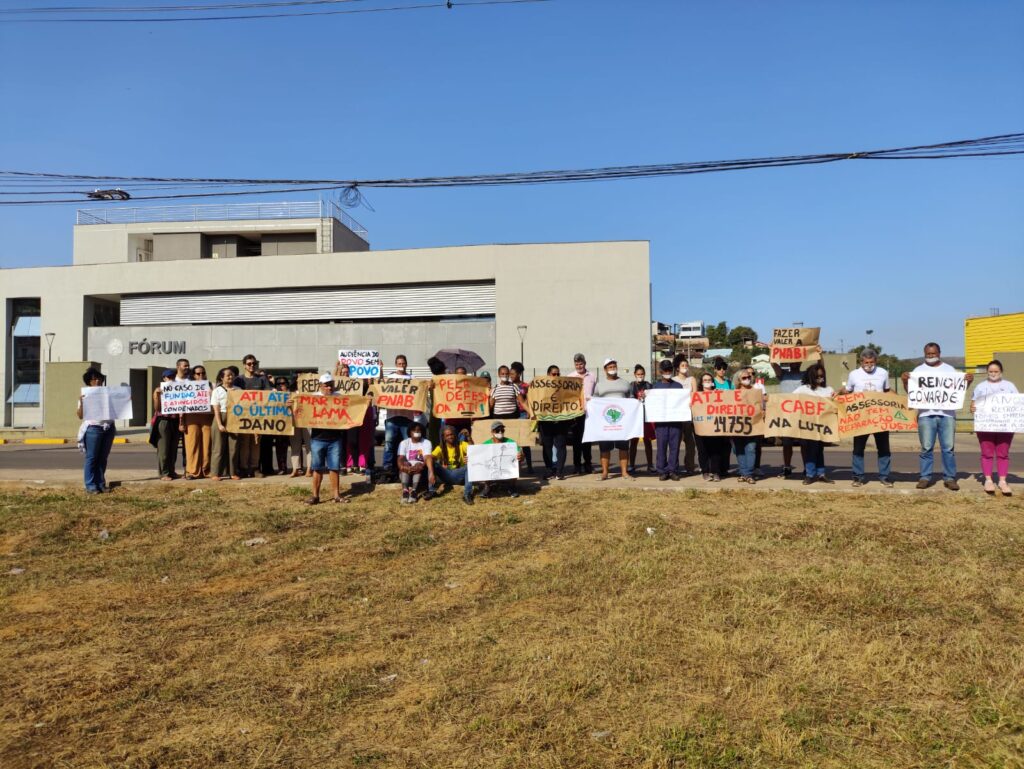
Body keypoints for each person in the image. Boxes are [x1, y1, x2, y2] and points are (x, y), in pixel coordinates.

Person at [901, 342, 974, 491]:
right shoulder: (918, 370)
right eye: (928, 354)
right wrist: (904, 380)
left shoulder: (949, 369)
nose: (931, 356)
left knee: (948, 448)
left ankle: (949, 478)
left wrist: (968, 382)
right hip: (926, 415)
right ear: (924, 354)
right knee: (926, 448)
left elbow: (958, 390)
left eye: (933, 354)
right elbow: (911, 391)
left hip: (947, 415)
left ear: (939, 353)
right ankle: (925, 477)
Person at [842, 349, 894, 487]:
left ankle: (885, 476)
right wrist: (837, 395)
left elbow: (887, 391)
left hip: (880, 416)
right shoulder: (854, 374)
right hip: (861, 418)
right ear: (861, 362)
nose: (869, 365)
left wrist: (902, 401)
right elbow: (848, 391)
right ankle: (858, 477)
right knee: (858, 449)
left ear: (876, 361)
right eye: (866, 362)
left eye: (871, 362)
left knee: (884, 449)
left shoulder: (883, 372)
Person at [971, 359, 1017, 496]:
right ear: (987, 372)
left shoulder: (1010, 386)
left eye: (996, 371)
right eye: (990, 371)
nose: (993, 373)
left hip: (1005, 426)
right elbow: (973, 405)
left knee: (1003, 454)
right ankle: (988, 480)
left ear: (1001, 372)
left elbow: (1018, 404)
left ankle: (1003, 481)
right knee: (987, 453)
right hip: (986, 426)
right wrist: (973, 408)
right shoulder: (980, 386)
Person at [770, 350, 819, 478]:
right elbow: (773, 364)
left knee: (804, 443)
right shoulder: (783, 374)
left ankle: (806, 468)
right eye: (792, 361)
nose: (795, 363)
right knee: (787, 443)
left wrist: (820, 354)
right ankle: (787, 467)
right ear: (789, 362)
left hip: (802, 414)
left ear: (801, 361)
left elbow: (820, 368)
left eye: (797, 361)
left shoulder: (805, 375)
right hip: (787, 415)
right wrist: (772, 350)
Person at [305, 374, 349, 505]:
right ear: (320, 386)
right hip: (318, 438)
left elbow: (352, 408)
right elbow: (302, 410)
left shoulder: (339, 397)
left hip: (335, 438)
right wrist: (291, 405)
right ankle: (315, 496)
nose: (329, 387)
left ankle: (336, 495)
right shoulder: (313, 397)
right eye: (326, 385)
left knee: (334, 467)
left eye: (330, 384)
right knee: (317, 467)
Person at [793, 362, 835, 484]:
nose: (820, 379)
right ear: (811, 376)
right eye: (817, 376)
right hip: (808, 427)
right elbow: (789, 400)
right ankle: (810, 474)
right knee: (811, 449)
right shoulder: (802, 389)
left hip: (823, 426)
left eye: (822, 376)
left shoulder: (828, 390)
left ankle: (820, 474)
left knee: (819, 449)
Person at [593, 357, 634, 480]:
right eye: (610, 367)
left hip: (622, 422)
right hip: (606, 422)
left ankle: (624, 473)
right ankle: (605, 473)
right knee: (605, 448)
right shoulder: (599, 385)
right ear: (605, 369)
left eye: (614, 366)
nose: (612, 369)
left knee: (623, 447)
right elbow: (595, 399)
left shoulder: (625, 383)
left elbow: (631, 398)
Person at [76, 367, 115, 494]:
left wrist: (125, 401)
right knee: (92, 457)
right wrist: (81, 403)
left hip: (108, 427)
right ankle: (90, 485)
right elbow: (80, 415)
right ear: (89, 382)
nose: (97, 381)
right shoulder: (86, 394)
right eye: (93, 379)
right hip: (93, 428)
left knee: (103, 457)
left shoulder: (108, 393)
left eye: (99, 378)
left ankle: (100, 483)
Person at [648, 359, 682, 481]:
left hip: (676, 423)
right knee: (661, 446)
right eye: (665, 370)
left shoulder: (679, 386)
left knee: (675, 447)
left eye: (669, 370)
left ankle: (673, 470)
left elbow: (682, 403)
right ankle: (662, 471)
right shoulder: (655, 386)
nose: (668, 372)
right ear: (660, 371)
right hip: (661, 422)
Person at [382, 354, 415, 480]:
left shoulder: (412, 378)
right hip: (392, 417)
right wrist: (380, 370)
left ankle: (408, 466)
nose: (401, 366)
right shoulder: (390, 378)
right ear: (396, 365)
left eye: (403, 363)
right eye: (399, 364)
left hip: (407, 418)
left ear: (406, 364)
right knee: (389, 444)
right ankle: (387, 468)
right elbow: (380, 387)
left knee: (409, 444)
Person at [694, 370, 728, 482]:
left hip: (715, 426)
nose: (707, 382)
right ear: (701, 383)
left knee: (716, 450)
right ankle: (705, 471)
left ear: (712, 382)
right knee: (702, 450)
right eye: (705, 380)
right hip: (700, 426)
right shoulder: (696, 396)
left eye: (709, 380)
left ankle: (716, 472)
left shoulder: (718, 394)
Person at [537, 364, 569, 480]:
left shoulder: (564, 387)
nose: (556, 376)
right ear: (548, 375)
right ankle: (549, 469)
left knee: (561, 446)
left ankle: (559, 471)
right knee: (547, 446)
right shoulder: (540, 388)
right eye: (554, 374)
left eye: (558, 374)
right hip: (546, 421)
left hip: (561, 421)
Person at [210, 367, 243, 480]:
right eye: (228, 375)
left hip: (234, 418)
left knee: (233, 447)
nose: (230, 377)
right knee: (218, 447)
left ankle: (233, 472)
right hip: (221, 417)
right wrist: (219, 424)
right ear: (221, 377)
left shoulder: (238, 389)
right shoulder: (217, 391)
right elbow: (216, 409)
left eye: (232, 375)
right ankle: (215, 473)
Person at [567, 353, 597, 475]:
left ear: (585, 363)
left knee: (587, 441)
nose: (579, 366)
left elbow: (596, 393)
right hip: (576, 414)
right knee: (576, 441)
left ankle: (588, 464)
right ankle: (577, 465)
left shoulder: (593, 376)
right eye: (576, 364)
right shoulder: (570, 377)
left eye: (581, 363)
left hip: (589, 413)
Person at [240, 355, 269, 478]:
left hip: (259, 416)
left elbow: (269, 394)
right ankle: (244, 468)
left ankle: (255, 468)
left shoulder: (262, 379)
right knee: (244, 444)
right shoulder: (238, 380)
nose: (252, 366)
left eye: (254, 363)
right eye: (249, 364)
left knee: (256, 442)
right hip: (243, 416)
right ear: (244, 365)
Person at [430, 425, 474, 504]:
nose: (450, 437)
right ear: (444, 438)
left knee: (470, 465)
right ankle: (431, 491)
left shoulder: (461, 444)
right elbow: (430, 458)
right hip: (446, 474)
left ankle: (467, 494)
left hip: (459, 474)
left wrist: (469, 437)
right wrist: (436, 467)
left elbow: (473, 450)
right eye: (447, 435)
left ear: (455, 435)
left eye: (451, 434)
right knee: (432, 463)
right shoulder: (440, 447)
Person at [732, 368, 762, 484]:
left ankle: (749, 474)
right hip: (737, 426)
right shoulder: (733, 393)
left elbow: (760, 407)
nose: (747, 379)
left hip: (752, 425)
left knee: (751, 449)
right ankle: (743, 473)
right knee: (738, 450)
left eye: (749, 377)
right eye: (744, 378)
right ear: (739, 380)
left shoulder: (756, 392)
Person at [480, 420, 524, 498]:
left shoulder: (511, 443)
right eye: (497, 430)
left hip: (506, 468)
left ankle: (512, 487)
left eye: (502, 430)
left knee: (518, 462)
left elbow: (521, 454)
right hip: (492, 469)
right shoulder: (486, 444)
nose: (500, 432)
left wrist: (521, 456)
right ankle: (487, 487)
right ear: (492, 432)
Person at [151, 369, 180, 481]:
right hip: (163, 420)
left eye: (173, 376)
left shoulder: (178, 389)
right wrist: (157, 396)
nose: (171, 379)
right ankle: (164, 473)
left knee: (173, 449)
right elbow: (157, 408)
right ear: (164, 378)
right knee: (163, 449)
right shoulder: (159, 390)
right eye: (169, 377)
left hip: (175, 421)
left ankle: (171, 471)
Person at [672, 354, 698, 475]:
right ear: (677, 368)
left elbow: (696, 395)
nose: (685, 367)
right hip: (677, 417)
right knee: (675, 444)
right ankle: (674, 466)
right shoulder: (673, 380)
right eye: (682, 365)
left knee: (691, 444)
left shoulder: (691, 379)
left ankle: (690, 466)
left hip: (689, 416)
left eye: (686, 365)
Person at [509, 361, 535, 474]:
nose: (510, 376)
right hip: (512, 415)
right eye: (510, 374)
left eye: (513, 374)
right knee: (513, 443)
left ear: (519, 374)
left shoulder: (525, 386)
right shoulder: (508, 386)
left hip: (523, 414)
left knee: (525, 442)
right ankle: (516, 467)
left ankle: (529, 466)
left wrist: (530, 413)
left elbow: (530, 400)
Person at [397, 421, 433, 504]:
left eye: (419, 430)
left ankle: (414, 491)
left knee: (418, 464)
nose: (416, 432)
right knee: (405, 463)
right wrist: (403, 467)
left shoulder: (426, 442)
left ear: (422, 432)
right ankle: (405, 491)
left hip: (421, 472)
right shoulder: (404, 443)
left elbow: (427, 457)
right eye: (414, 430)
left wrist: (420, 466)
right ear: (409, 432)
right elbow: (400, 458)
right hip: (406, 472)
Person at [628, 364, 655, 474]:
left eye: (642, 374)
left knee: (647, 442)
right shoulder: (631, 386)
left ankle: (650, 465)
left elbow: (653, 399)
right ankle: (632, 465)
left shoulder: (649, 385)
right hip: (635, 418)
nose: (640, 376)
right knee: (633, 442)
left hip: (646, 417)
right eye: (638, 374)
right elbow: (628, 400)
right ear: (634, 375)